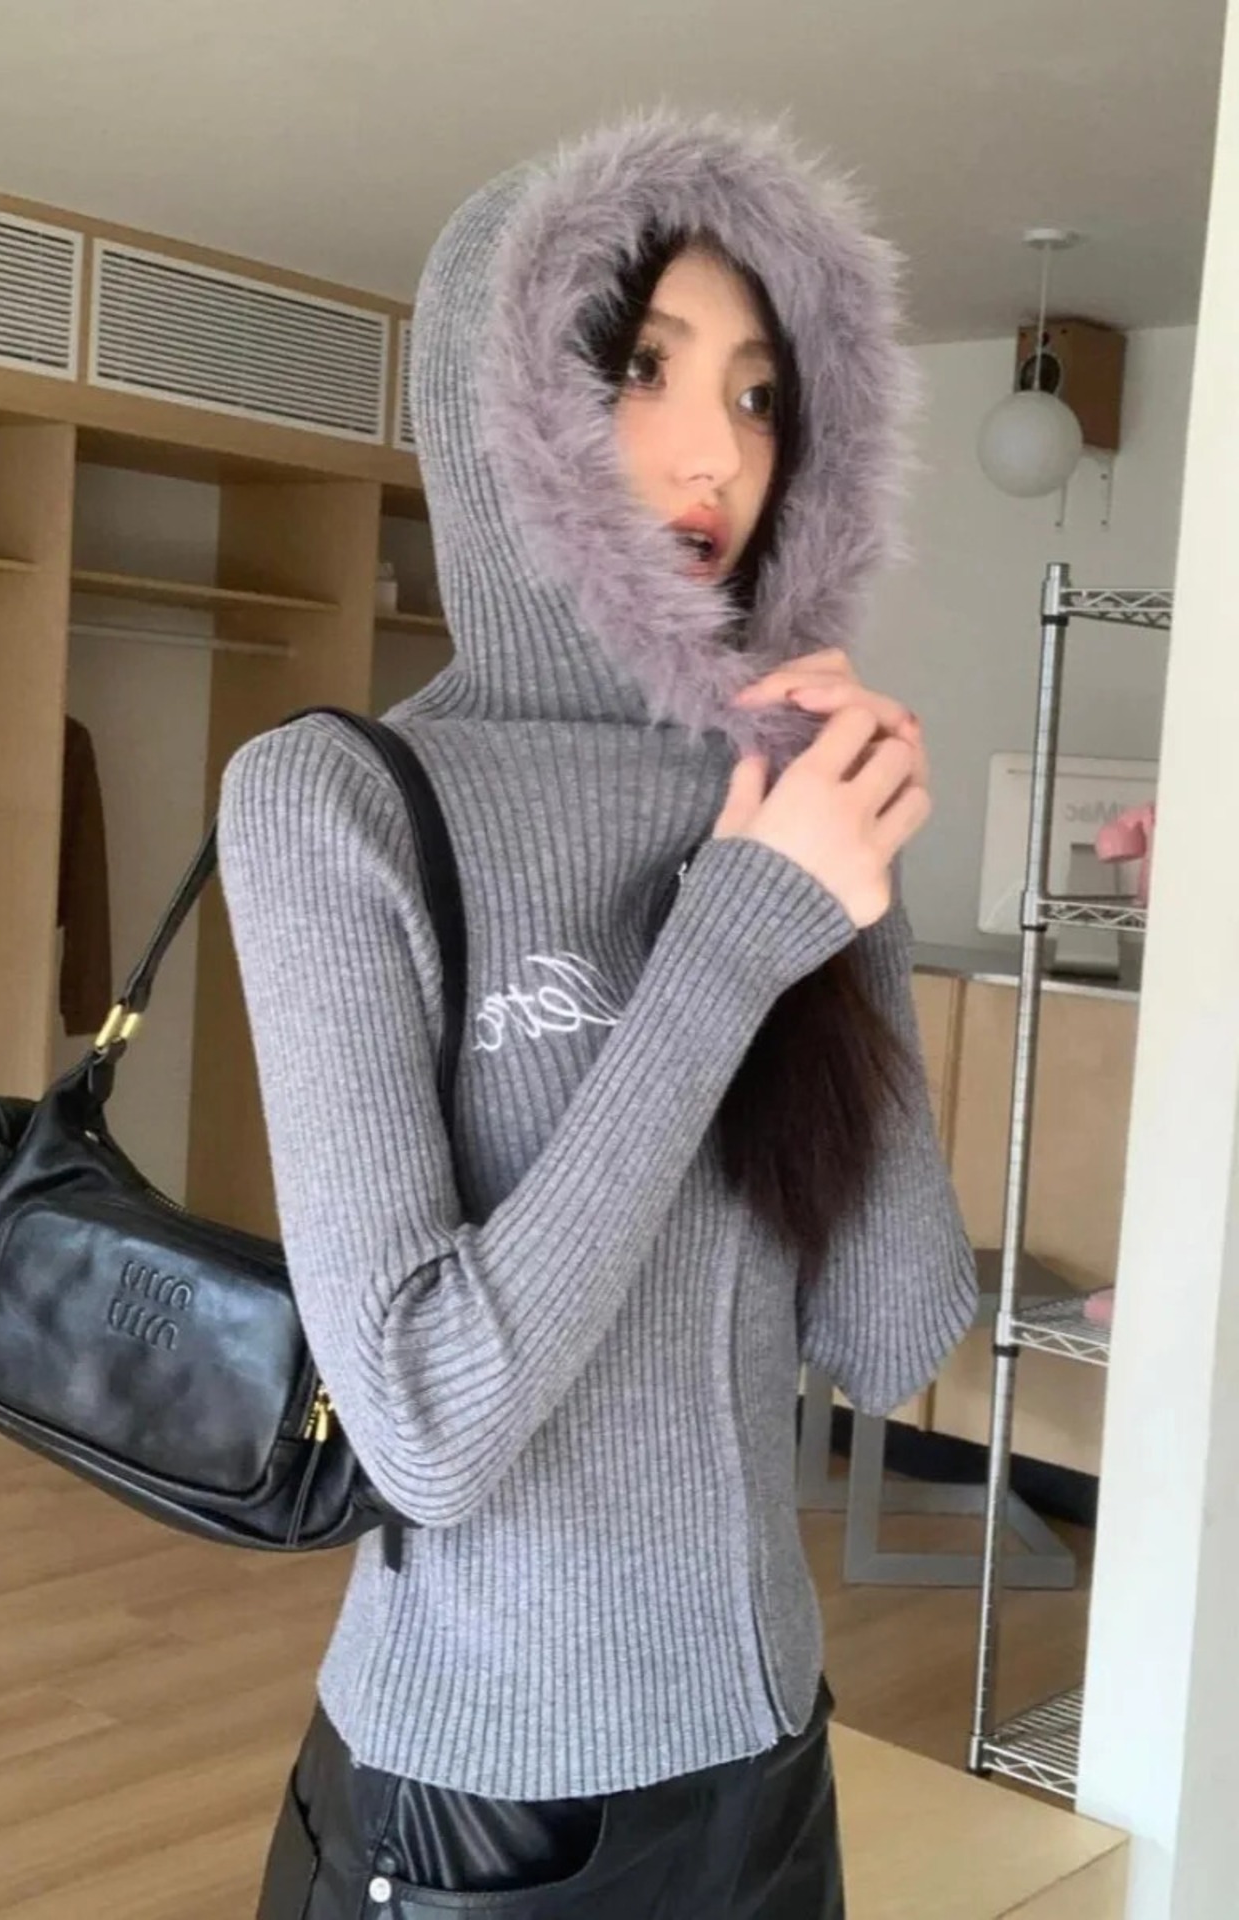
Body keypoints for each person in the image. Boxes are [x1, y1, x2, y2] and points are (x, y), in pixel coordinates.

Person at [220, 107, 978, 1920]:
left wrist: (846, 880)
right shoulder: (334, 803)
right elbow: (423, 1427)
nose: (717, 449)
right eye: (643, 366)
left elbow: (894, 1328)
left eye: (761, 392)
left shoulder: (766, 802)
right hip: (491, 1812)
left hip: (773, 1757)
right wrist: (730, 942)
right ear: (499, 406)